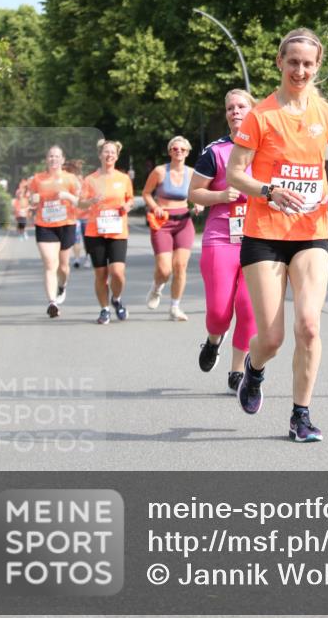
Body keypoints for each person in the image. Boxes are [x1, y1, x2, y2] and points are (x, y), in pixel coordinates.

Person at [226, 28, 328, 442]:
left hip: (310, 232)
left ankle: (300, 415)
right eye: (293, 62)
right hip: (264, 234)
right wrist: (268, 190)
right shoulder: (260, 115)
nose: (300, 70)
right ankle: (254, 369)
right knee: (272, 337)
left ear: (317, 66)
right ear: (280, 63)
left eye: (308, 63)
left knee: (309, 326)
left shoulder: (326, 113)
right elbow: (235, 173)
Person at [189, 89, 258, 393]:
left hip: (259, 238)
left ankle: (237, 371)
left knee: (249, 307)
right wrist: (220, 195)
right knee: (219, 312)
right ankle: (214, 339)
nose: (235, 111)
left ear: (253, 110)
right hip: (221, 237)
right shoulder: (215, 151)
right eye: (230, 108)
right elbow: (194, 193)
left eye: (241, 106)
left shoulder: (267, 149)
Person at [142, 135, 201, 322]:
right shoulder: (160, 171)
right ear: (169, 152)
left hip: (184, 221)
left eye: (183, 149)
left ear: (188, 152)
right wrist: (155, 206)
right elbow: (146, 193)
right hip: (162, 222)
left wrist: (199, 204)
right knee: (165, 269)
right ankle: (157, 288)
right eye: (175, 149)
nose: (179, 152)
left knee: (180, 266)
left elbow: (199, 194)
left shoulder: (192, 173)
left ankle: (175, 307)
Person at [79, 139, 134, 325]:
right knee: (101, 274)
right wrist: (92, 200)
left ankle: (116, 299)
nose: (109, 155)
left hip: (118, 231)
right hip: (95, 231)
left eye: (112, 152)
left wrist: (127, 206)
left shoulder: (123, 178)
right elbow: (81, 203)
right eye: (106, 152)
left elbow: (130, 200)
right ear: (100, 155)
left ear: (117, 156)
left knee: (117, 273)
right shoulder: (90, 179)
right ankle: (104, 309)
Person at [27, 146, 80, 318]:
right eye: (50, 156)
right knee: (50, 264)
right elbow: (32, 200)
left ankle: (62, 286)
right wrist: (32, 200)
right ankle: (52, 303)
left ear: (63, 160)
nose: (53, 159)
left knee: (63, 268)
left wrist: (67, 196)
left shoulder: (71, 179)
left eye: (57, 156)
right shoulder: (37, 179)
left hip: (66, 224)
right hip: (45, 225)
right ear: (46, 159)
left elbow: (80, 202)